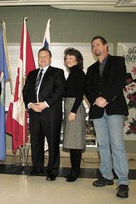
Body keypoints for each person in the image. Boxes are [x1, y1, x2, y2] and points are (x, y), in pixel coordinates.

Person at [85, 36, 130, 198]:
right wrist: (95, 100)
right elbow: (87, 89)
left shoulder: (118, 61)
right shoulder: (91, 69)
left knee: (117, 145)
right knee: (103, 144)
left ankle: (123, 182)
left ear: (105, 46)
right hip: (98, 111)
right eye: (93, 46)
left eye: (98, 44)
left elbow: (119, 82)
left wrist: (106, 98)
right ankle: (106, 176)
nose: (95, 47)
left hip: (114, 108)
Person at [23, 47, 65, 181]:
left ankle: (52, 171)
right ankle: (37, 168)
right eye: (40, 56)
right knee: (36, 142)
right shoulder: (31, 74)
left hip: (51, 113)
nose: (42, 58)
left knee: (52, 143)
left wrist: (45, 104)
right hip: (34, 113)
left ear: (50, 58)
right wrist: (30, 105)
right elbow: (26, 91)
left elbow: (59, 90)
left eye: (45, 56)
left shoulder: (57, 72)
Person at [62, 47, 86, 182]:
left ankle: (75, 172)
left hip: (74, 109)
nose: (68, 60)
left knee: (75, 143)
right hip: (70, 107)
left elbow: (79, 94)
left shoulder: (79, 73)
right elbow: (67, 92)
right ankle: (73, 170)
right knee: (72, 142)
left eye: (71, 58)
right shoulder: (72, 73)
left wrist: (73, 111)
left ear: (77, 60)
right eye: (66, 58)